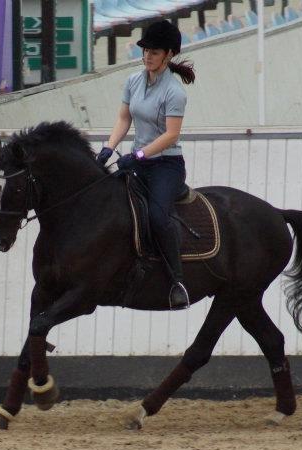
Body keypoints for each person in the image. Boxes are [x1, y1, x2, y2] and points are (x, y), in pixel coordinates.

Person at [96, 19, 194, 310]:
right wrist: (107, 147)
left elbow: (171, 134)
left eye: (154, 51)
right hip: (137, 160)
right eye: (145, 51)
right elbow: (124, 119)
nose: (147, 56)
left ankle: (177, 281)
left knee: (156, 216)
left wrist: (138, 155)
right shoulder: (133, 81)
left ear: (168, 55)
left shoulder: (175, 92)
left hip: (165, 166)